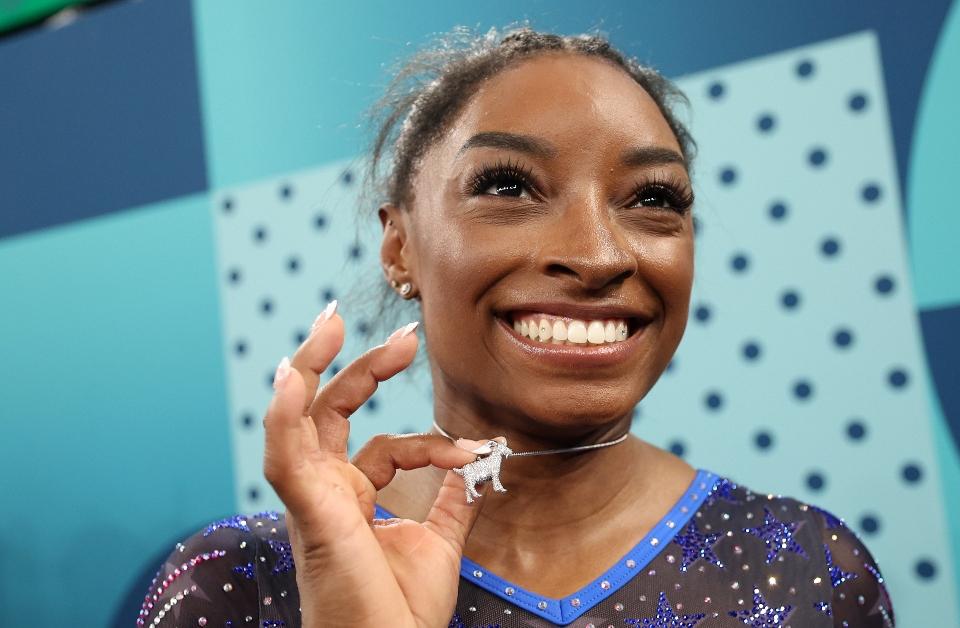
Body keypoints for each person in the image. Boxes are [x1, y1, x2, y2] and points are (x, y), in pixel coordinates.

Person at [136, 26, 896, 628]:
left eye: (653, 198)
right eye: (508, 186)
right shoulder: (240, 587)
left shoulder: (809, 571)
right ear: (400, 246)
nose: (598, 255)